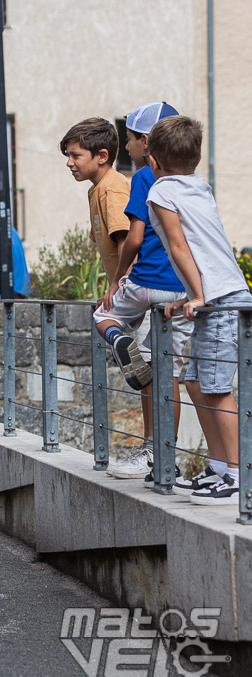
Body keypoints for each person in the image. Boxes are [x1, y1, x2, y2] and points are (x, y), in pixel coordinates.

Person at [148, 116, 252, 505]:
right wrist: (190, 295)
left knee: (217, 388)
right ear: (197, 156)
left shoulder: (161, 191)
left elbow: (179, 245)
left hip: (220, 299)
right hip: (221, 294)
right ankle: (221, 468)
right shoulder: (199, 186)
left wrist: (198, 294)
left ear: (153, 161)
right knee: (195, 381)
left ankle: (241, 475)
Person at [87, 103, 194, 480]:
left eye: (129, 137)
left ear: (145, 142)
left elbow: (132, 239)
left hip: (145, 282)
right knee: (169, 376)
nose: (126, 146)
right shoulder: (193, 183)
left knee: (104, 315)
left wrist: (117, 279)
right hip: (181, 290)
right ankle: (167, 456)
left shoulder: (145, 178)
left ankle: (117, 337)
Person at [60, 117, 131, 283]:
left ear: (102, 156)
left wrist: (120, 289)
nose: (69, 163)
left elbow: (126, 242)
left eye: (76, 156)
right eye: (68, 156)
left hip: (128, 288)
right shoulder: (96, 190)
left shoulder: (112, 188)